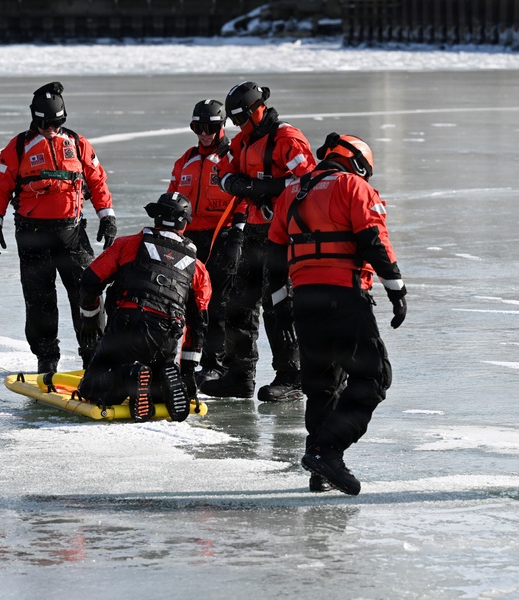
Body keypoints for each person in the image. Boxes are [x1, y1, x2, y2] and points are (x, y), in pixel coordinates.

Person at [267, 132, 407, 495]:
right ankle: (326, 452)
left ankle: (321, 471)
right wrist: (396, 288)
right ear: (359, 163)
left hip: (304, 303)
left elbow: (271, 257)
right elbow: (372, 238)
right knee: (374, 376)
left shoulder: (290, 193)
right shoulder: (352, 187)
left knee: (322, 387)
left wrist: (282, 305)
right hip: (344, 296)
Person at [0, 81, 117, 374]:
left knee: (87, 293)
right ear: (34, 119)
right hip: (32, 235)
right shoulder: (18, 147)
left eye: (56, 123)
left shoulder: (78, 144)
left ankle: (93, 352)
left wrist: (106, 216)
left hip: (72, 232)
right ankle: (46, 357)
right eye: (45, 123)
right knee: (39, 298)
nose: (50, 128)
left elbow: (96, 182)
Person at [200, 81, 317, 402]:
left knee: (279, 306)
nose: (236, 127)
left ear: (255, 111)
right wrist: (236, 184)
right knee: (239, 305)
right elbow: (222, 171)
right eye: (234, 123)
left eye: (239, 120)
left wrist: (265, 188)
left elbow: (308, 181)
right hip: (253, 232)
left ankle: (292, 377)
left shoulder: (287, 140)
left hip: (282, 235)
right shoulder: (243, 141)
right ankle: (240, 375)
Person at [76, 192, 211, 422]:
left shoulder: (127, 245)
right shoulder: (198, 268)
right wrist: (188, 372)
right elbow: (199, 323)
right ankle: (164, 379)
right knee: (158, 389)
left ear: (156, 216)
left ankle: (131, 375)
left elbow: (90, 281)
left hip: (125, 331)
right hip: (164, 338)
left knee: (89, 389)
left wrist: (89, 318)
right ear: (184, 223)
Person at [166, 99, 246, 388]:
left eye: (211, 127)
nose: (204, 133)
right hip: (189, 240)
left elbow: (244, 197)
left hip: (222, 237)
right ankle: (188, 361)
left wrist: (238, 233)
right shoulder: (185, 160)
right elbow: (172, 197)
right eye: (198, 127)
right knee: (188, 303)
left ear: (222, 126)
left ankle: (215, 363)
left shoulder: (233, 157)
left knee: (217, 304)